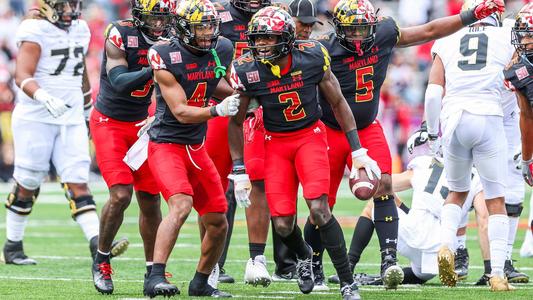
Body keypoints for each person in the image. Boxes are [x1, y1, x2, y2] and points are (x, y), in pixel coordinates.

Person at [311, 0, 504, 290]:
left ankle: (388, 260)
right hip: (330, 127)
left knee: (384, 185)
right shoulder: (324, 47)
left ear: (374, 26)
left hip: (366, 125)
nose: (360, 36)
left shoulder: (384, 33)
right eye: (353, 30)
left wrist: (469, 16)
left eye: (364, 28)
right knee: (320, 202)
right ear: (338, 29)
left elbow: (429, 30)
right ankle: (312, 264)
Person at [229, 6, 380, 299]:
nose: (260, 45)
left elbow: (337, 102)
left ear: (285, 38)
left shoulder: (311, 55)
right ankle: (304, 257)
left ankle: (348, 282)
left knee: (319, 209)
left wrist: (357, 149)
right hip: (275, 143)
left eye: (268, 39)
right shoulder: (247, 68)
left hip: (309, 137)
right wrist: (238, 168)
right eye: (257, 39)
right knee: (283, 223)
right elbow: (234, 122)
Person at [2, 0, 127, 266]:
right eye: (66, 5)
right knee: (28, 181)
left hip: (69, 115)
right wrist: (43, 96)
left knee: (77, 179)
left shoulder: (80, 28)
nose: (71, 9)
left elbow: (80, 70)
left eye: (74, 4)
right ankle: (13, 245)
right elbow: (21, 74)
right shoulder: (35, 29)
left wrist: (85, 108)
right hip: (36, 117)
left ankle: (97, 243)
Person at [142, 0, 238, 297]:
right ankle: (154, 276)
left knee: (218, 221)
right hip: (167, 144)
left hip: (196, 147)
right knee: (181, 205)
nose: (207, 31)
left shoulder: (221, 48)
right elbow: (181, 110)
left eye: (210, 24)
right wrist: (217, 111)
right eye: (200, 26)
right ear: (183, 28)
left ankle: (201, 283)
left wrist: (245, 93)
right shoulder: (164, 54)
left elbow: (214, 84)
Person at [424, 0, 514, 291]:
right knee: (496, 199)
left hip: (453, 118)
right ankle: (498, 274)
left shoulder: (447, 37)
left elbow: (433, 94)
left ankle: (446, 246)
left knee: (457, 192)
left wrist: (433, 134)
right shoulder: (506, 35)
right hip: (488, 114)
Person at [89, 0, 175, 294]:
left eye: (164, 17)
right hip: (109, 122)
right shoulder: (120, 33)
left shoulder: (173, 38)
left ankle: (153, 271)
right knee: (121, 194)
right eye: (153, 16)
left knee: (151, 199)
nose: (159, 24)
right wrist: (154, 66)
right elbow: (119, 81)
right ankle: (101, 259)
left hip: (143, 123)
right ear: (139, 15)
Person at [207, 0, 273, 285]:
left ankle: (269, 260)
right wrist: (242, 98)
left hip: (263, 108)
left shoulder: (273, 17)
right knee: (222, 187)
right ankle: (214, 265)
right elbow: (205, 72)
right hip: (226, 106)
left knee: (264, 182)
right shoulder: (217, 18)